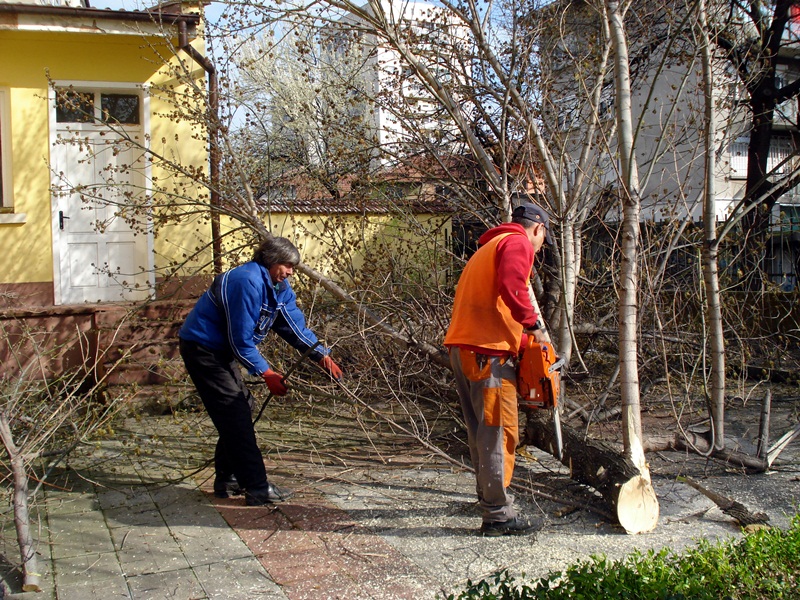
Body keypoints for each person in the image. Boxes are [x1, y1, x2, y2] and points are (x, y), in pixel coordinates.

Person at [179, 236, 343, 506]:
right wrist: (267, 373)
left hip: (223, 351)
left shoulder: (279, 287)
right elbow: (239, 340)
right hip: (203, 350)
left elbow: (292, 325)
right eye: (287, 266)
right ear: (271, 261)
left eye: (293, 267)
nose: (290, 272)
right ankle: (256, 487)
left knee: (241, 406)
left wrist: (321, 355)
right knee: (235, 412)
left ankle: (228, 477)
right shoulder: (246, 282)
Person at [444, 199, 553, 537]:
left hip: (467, 348)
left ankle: (489, 499)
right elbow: (513, 286)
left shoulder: (489, 247)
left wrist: (526, 345)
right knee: (500, 430)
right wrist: (535, 326)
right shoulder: (518, 242)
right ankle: (498, 517)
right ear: (538, 229)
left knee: (482, 431)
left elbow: (496, 306)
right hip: (486, 355)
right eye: (543, 239)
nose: (540, 245)